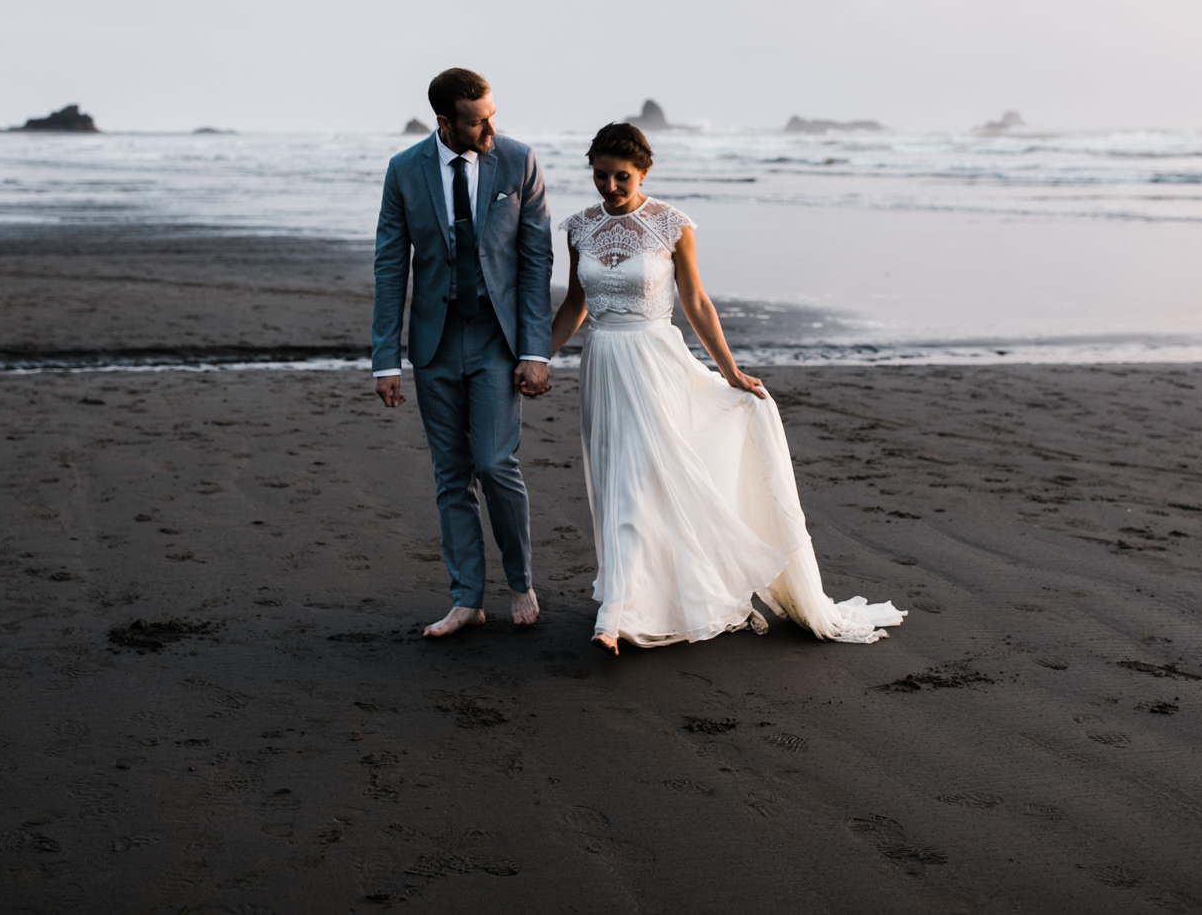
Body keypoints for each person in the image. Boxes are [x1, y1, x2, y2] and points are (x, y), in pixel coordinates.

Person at [549, 122, 905, 653]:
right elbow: (576, 305)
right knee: (613, 478)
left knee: (637, 480)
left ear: (643, 172)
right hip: (603, 364)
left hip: (656, 364)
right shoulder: (579, 228)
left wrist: (730, 372)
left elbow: (695, 303)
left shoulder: (671, 224)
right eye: (600, 176)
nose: (610, 187)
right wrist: (537, 359)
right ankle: (638, 600)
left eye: (621, 177)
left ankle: (613, 614)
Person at [371, 68, 554, 637]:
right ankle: (466, 598)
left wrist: (535, 350)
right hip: (434, 342)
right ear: (445, 121)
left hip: (498, 341)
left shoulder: (518, 161)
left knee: (496, 464)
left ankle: (520, 582)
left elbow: (535, 262)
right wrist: (385, 358)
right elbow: (389, 263)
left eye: (493, 114)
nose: (491, 126)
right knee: (451, 475)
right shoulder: (405, 170)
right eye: (478, 120)